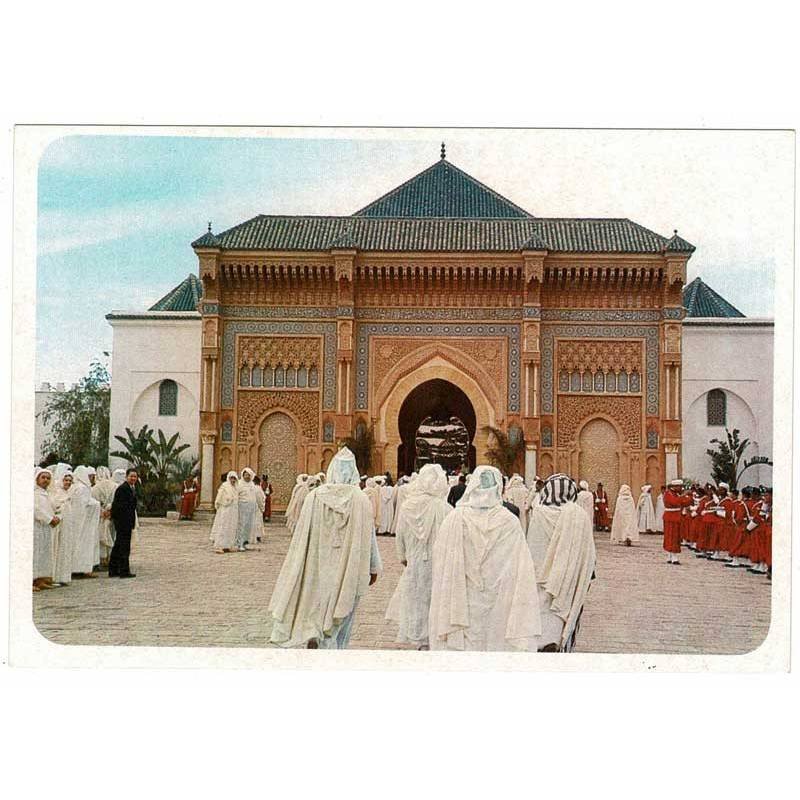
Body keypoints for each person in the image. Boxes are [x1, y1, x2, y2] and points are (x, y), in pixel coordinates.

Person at [268, 447, 382, 649]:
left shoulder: (315, 497)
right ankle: (332, 646)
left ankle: (316, 636)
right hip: (347, 565)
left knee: (317, 603)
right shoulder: (360, 499)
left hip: (317, 564)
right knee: (342, 610)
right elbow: (369, 536)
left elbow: (302, 536)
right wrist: (374, 567)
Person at [428, 465, 542, 651]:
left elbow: (440, 563)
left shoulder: (454, 519)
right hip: (498, 604)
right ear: (499, 487)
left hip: (462, 604)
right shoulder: (509, 522)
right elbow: (522, 570)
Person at [526, 473, 597, 652]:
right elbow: (588, 551)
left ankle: (542, 643)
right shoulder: (578, 516)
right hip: (568, 577)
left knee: (542, 610)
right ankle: (556, 642)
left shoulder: (539, 514)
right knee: (560, 615)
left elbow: (532, 547)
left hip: (539, 577)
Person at [386, 463, 452, 649]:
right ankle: (432, 637)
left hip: (414, 561)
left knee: (416, 599)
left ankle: (419, 638)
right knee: (435, 598)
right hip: (438, 563)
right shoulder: (445, 509)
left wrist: (403, 557)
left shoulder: (408, 507)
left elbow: (400, 536)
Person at [66, 465, 101, 578]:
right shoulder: (82, 489)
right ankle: (81, 569)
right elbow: (83, 506)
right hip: (84, 524)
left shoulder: (77, 487)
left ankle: (80, 569)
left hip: (82, 523)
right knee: (83, 546)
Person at [109, 468, 139, 577]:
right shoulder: (122, 489)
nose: (133, 478)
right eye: (131, 476)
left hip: (127, 522)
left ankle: (113, 569)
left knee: (119, 545)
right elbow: (119, 507)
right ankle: (123, 570)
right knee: (123, 547)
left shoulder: (132, 488)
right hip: (123, 522)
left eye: (135, 476)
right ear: (126, 477)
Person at [33, 467, 59, 591]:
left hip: (46, 528)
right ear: (37, 479)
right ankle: (31, 581)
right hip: (37, 527)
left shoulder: (46, 494)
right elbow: (36, 510)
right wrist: (49, 519)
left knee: (44, 554)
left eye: (48, 478)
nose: (46, 480)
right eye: (43, 477)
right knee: (36, 554)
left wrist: (56, 517)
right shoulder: (34, 493)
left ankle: (40, 579)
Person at [51, 469, 75, 585]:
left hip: (67, 528)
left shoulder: (68, 493)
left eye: (70, 481)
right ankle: (55, 577)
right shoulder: (57, 493)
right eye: (66, 480)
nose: (68, 483)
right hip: (59, 528)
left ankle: (63, 577)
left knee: (65, 549)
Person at [92, 466, 117, 568]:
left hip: (100, 515)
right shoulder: (115, 486)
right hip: (111, 515)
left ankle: (102, 559)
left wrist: (102, 511)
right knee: (111, 535)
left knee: (101, 536)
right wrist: (110, 511)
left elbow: (93, 502)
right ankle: (111, 557)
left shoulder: (95, 488)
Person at [662, 479, 692, 564]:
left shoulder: (676, 494)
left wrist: (689, 497)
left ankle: (671, 555)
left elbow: (685, 503)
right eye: (680, 487)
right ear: (675, 487)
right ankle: (672, 555)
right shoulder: (668, 494)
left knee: (675, 537)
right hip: (671, 517)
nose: (681, 488)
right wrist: (683, 496)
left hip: (676, 517)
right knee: (671, 536)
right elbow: (674, 502)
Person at [212, 472, 239, 554]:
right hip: (225, 509)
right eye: (231, 478)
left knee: (231, 527)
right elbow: (219, 497)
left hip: (233, 511)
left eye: (234, 478)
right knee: (223, 527)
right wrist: (220, 505)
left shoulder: (235, 488)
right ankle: (219, 546)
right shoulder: (224, 486)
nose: (233, 480)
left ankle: (228, 545)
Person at [234, 467, 258, 551]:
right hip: (242, 508)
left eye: (248, 475)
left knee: (248, 526)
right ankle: (239, 543)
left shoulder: (252, 485)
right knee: (241, 525)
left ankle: (244, 542)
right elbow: (236, 496)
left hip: (250, 509)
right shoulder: (239, 484)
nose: (247, 477)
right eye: (245, 475)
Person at [251, 475, 267, 543]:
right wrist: (262, 508)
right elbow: (260, 499)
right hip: (257, 508)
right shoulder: (258, 488)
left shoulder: (251, 487)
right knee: (257, 522)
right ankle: (257, 535)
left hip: (250, 507)